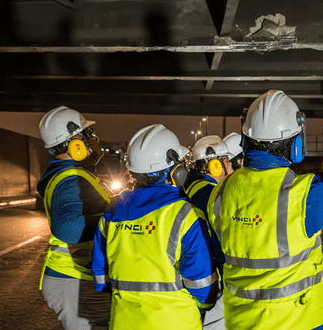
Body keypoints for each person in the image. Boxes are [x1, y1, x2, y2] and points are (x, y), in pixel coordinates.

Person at [206, 90, 323, 330]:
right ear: (295, 144)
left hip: (240, 320)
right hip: (298, 320)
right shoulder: (303, 193)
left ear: (246, 140)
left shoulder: (222, 191)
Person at [91, 124, 218, 330]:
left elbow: (101, 278)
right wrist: (206, 304)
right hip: (175, 323)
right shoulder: (186, 215)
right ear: (174, 169)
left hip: (124, 322)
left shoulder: (112, 212)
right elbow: (202, 287)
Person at [36, 106, 112, 330]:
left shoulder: (72, 174)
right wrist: (113, 220)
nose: (93, 140)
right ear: (74, 144)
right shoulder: (70, 178)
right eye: (86, 135)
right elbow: (68, 228)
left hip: (77, 277)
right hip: (74, 278)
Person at [185, 135, 231, 329]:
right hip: (212, 278)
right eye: (226, 161)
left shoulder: (192, 186)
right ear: (215, 165)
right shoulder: (212, 193)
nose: (230, 166)